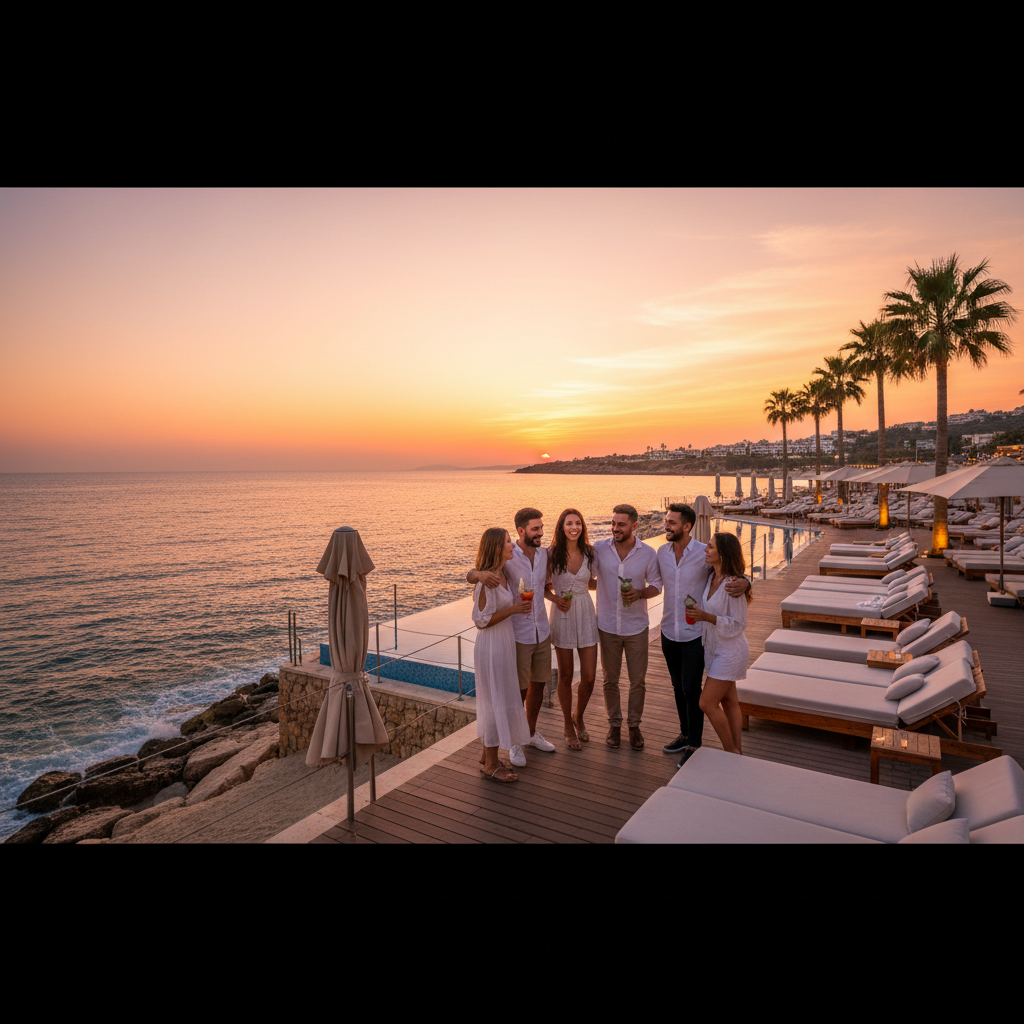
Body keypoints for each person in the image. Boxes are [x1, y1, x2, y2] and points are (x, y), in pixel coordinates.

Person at [658, 504, 750, 764]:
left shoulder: (704, 557)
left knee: (697, 695)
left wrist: (746, 581)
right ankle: (693, 737)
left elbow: (737, 610)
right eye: (666, 521)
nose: (666, 526)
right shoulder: (662, 554)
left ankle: (701, 746)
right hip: (671, 631)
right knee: (714, 697)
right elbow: (654, 582)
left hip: (699, 637)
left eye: (672, 522)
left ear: (686, 526)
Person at [466, 507, 556, 768]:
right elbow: (476, 574)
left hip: (541, 629)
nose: (540, 533)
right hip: (515, 633)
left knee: (539, 683)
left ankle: (529, 733)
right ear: (521, 531)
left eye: (541, 527)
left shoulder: (543, 556)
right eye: (535, 529)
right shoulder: (509, 557)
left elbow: (545, 586)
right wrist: (476, 574)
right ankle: (514, 742)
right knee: (516, 690)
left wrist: (557, 598)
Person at [590, 504, 662, 751]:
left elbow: (657, 586)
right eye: (613, 523)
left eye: (621, 524)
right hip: (607, 625)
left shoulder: (648, 553)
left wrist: (639, 593)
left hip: (636, 627)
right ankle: (614, 724)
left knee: (637, 681)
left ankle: (634, 725)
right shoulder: (599, 548)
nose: (615, 528)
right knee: (610, 680)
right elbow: (587, 576)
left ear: (634, 525)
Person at [471, 528, 533, 782]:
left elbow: (470, 573)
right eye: (508, 542)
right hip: (492, 645)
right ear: (497, 548)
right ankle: (491, 766)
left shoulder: (502, 573)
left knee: (496, 699)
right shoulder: (489, 582)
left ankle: (489, 756)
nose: (512, 545)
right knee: (494, 701)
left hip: (503, 642)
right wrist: (514, 610)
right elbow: (480, 621)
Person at [687, 532, 751, 758]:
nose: (706, 550)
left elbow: (739, 624)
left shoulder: (733, 585)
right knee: (729, 701)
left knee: (707, 703)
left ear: (722, 554)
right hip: (714, 649)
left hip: (731, 651)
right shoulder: (711, 577)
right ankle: (737, 754)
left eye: (710, 547)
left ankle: (729, 751)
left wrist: (707, 617)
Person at [544, 508, 598, 750]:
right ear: (561, 527)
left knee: (589, 676)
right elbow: (543, 587)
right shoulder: (550, 554)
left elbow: (593, 582)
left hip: (586, 611)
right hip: (562, 614)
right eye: (569, 523)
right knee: (565, 675)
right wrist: (556, 600)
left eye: (578, 523)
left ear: (582, 526)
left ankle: (579, 715)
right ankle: (568, 725)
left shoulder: (590, 552)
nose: (574, 527)